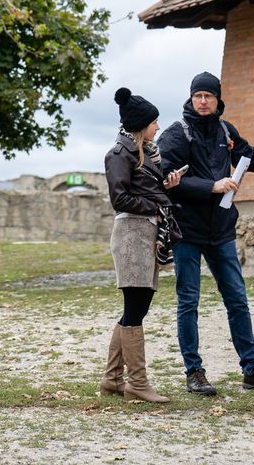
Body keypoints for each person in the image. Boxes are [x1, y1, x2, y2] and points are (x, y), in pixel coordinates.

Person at [155, 72, 254, 396]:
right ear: (191, 98)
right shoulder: (176, 134)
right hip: (187, 230)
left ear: (217, 100)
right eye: (198, 96)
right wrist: (211, 186)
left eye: (208, 96)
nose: (203, 101)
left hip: (222, 231)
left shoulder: (226, 131)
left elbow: (253, 157)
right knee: (189, 302)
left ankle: (251, 369)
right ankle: (194, 372)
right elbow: (163, 176)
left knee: (238, 301)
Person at [101, 87, 183, 403]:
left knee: (137, 308)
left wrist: (165, 189)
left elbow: (144, 190)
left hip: (146, 234)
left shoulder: (147, 154)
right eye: (154, 122)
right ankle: (137, 383)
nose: (158, 127)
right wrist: (156, 205)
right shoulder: (118, 154)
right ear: (141, 124)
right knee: (136, 309)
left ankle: (112, 379)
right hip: (131, 235)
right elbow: (119, 198)